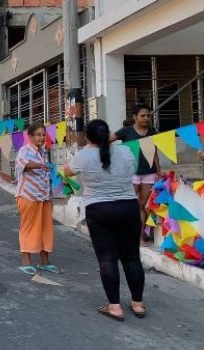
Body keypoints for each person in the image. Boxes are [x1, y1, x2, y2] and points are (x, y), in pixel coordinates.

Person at [63, 119, 146, 321]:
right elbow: (132, 169)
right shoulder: (126, 152)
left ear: (88, 137)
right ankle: (137, 304)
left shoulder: (82, 156)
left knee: (107, 258)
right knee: (132, 257)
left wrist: (88, 149)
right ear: (108, 134)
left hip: (99, 210)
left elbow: (67, 171)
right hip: (128, 207)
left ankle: (115, 307)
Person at [14, 122, 58, 276]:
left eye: (43, 134)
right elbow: (22, 165)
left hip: (44, 197)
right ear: (30, 137)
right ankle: (26, 261)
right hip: (28, 196)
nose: (41, 137)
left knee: (46, 229)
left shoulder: (44, 151)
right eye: (38, 135)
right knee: (28, 227)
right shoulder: (24, 150)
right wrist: (39, 165)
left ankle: (44, 261)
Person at [113, 104, 159, 245]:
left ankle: (139, 236)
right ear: (134, 117)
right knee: (130, 205)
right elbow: (106, 141)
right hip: (131, 173)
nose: (146, 118)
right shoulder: (126, 131)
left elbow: (154, 152)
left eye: (148, 115)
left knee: (143, 204)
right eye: (142, 115)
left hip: (149, 173)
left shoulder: (152, 131)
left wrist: (158, 169)